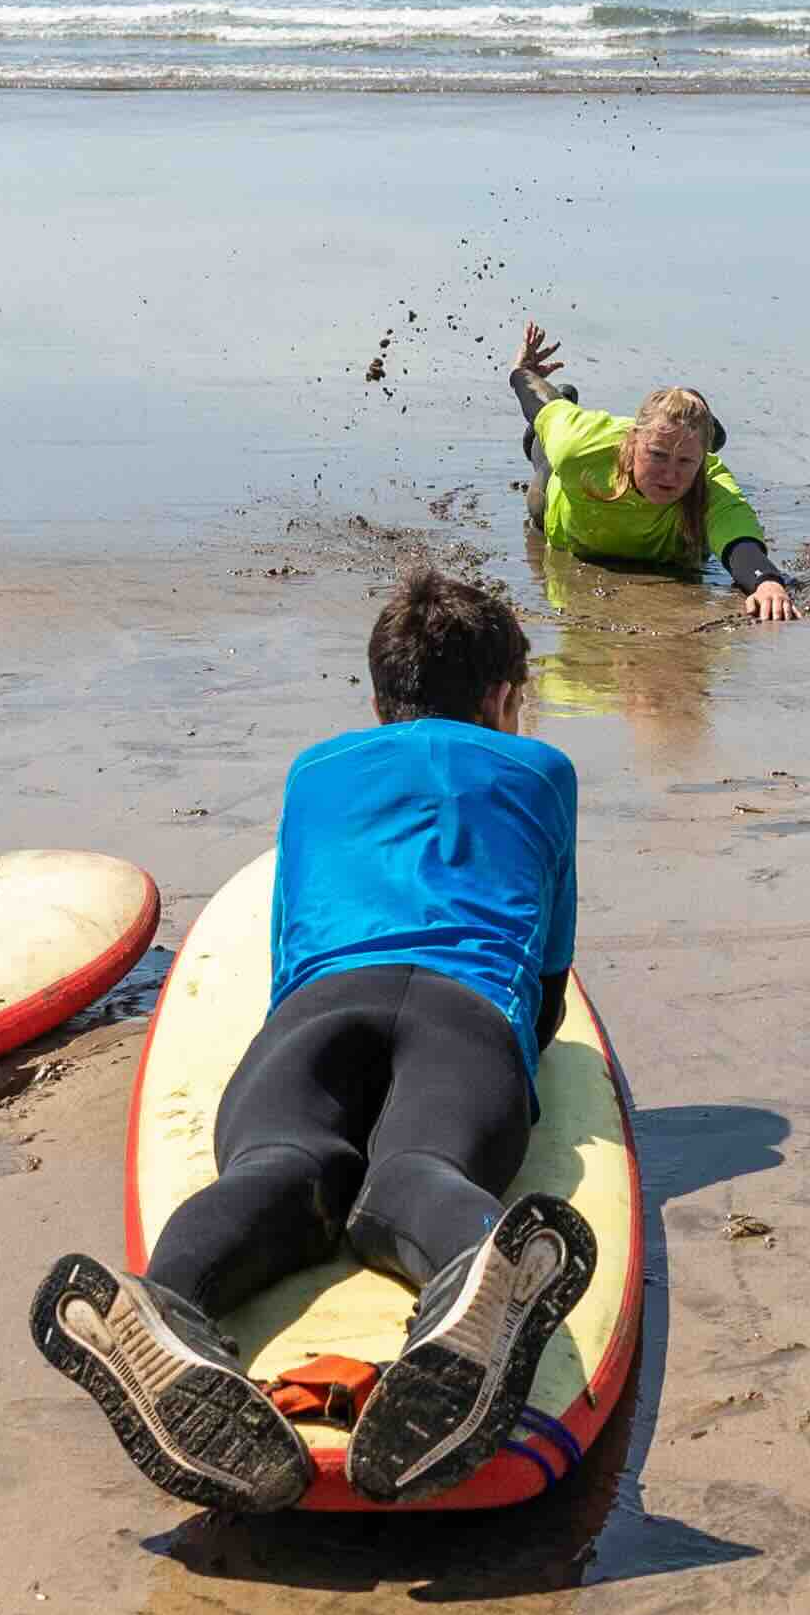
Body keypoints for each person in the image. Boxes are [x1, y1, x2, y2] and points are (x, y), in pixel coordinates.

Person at [30, 567, 602, 1515]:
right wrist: (516, 1068)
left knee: (279, 1168)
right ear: (505, 696)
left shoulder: (314, 771)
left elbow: (288, 941)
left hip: (319, 1009)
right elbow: (546, 983)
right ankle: (475, 1280)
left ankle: (165, 1306)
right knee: (413, 1173)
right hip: (465, 1010)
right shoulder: (543, 771)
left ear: (379, 698)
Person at [511, 324, 792, 624]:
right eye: (657, 455)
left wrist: (766, 582)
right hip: (564, 515)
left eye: (685, 462)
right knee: (544, 468)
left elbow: (738, 534)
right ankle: (541, 435)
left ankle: (703, 431)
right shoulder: (582, 445)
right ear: (632, 443)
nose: (669, 476)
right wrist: (522, 372)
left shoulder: (709, 479)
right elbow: (541, 407)